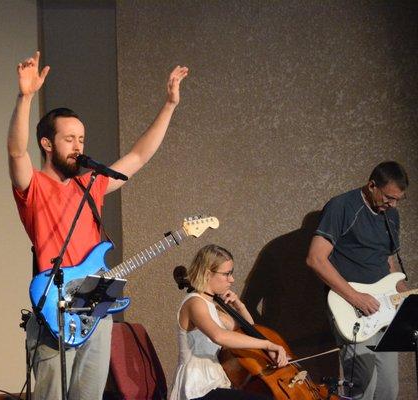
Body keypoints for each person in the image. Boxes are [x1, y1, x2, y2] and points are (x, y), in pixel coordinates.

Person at [8, 50, 188, 400]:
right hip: (54, 310)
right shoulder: (35, 186)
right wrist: (25, 97)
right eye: (69, 139)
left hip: (96, 310)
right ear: (47, 144)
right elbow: (16, 152)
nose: (78, 146)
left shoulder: (91, 184)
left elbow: (137, 157)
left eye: (81, 139)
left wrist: (168, 105)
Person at [306, 161, 409, 399]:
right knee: (364, 384)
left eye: (397, 200)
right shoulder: (341, 206)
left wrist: (403, 294)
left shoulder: (391, 216)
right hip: (352, 307)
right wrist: (357, 298)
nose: (392, 204)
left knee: (388, 389)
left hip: (384, 309)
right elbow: (315, 259)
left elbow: (388, 262)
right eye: (388, 197)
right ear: (372, 185)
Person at [170, 244, 288, 400]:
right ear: (207, 274)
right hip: (197, 388)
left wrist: (241, 306)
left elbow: (248, 330)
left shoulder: (213, 307)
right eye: (227, 274)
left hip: (214, 384)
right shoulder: (195, 303)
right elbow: (220, 336)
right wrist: (268, 344)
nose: (232, 279)